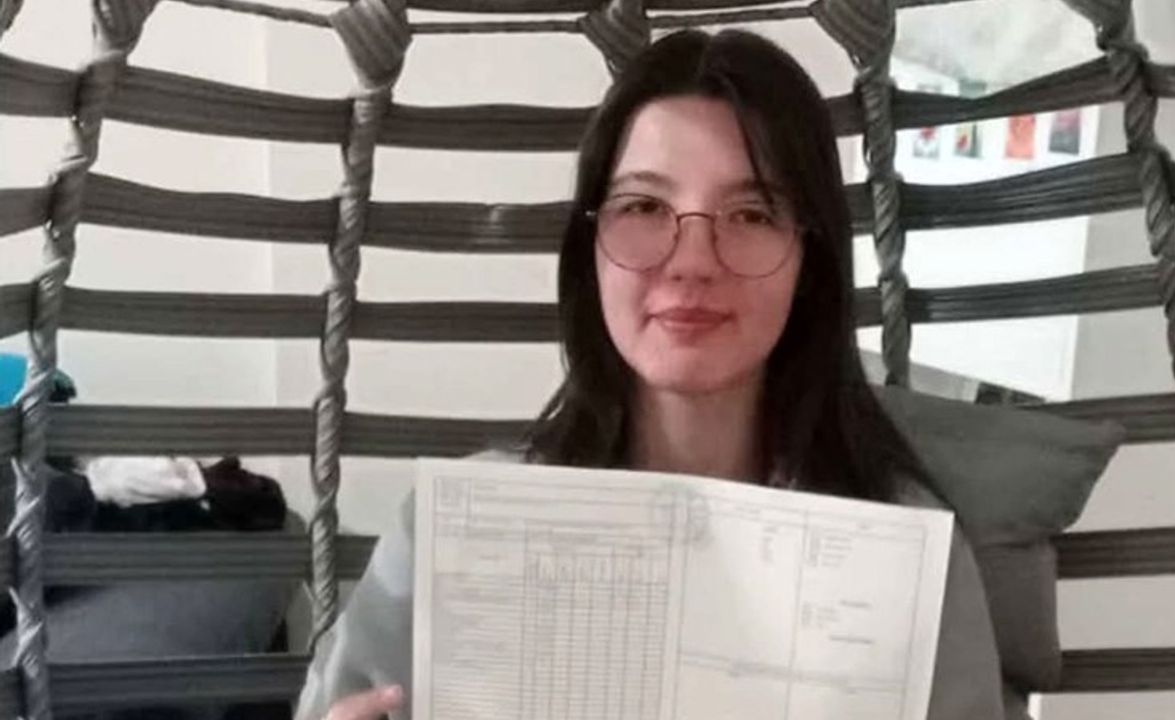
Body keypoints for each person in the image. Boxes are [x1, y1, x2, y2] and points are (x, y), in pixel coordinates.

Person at [299, 28, 1011, 720]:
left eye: (750, 213)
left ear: (810, 257)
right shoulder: (452, 536)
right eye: (643, 206)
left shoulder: (912, 559)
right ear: (590, 247)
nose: (692, 259)